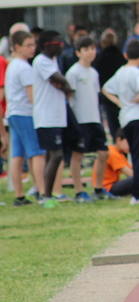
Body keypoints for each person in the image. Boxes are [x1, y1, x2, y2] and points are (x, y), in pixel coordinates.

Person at [102, 39, 139, 206]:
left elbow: (106, 88)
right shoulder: (137, 72)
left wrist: (120, 103)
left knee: (136, 155)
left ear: (125, 55)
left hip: (126, 118)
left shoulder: (120, 72)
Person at [65, 36, 114, 201]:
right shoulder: (73, 72)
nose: (90, 52)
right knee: (78, 155)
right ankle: (79, 192)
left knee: (103, 153)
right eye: (86, 49)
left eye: (93, 48)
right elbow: (69, 97)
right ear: (78, 52)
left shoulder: (94, 73)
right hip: (80, 121)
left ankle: (98, 189)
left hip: (95, 120)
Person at [32, 30, 74, 206]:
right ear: (47, 45)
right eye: (58, 44)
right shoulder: (41, 61)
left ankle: (47, 194)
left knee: (52, 155)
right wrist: (66, 86)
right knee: (56, 155)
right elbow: (60, 80)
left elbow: (61, 84)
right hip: (46, 116)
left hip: (56, 115)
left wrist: (65, 86)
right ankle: (46, 196)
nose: (61, 47)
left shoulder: (53, 61)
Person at [5, 31, 46, 206]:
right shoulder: (24, 67)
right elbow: (32, 97)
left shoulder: (12, 65)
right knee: (37, 153)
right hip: (25, 113)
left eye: (33, 44)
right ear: (17, 47)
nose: (32, 49)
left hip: (13, 113)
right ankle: (43, 192)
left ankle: (20, 195)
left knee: (17, 155)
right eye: (28, 45)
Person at [93, 28, 127, 140]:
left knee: (113, 127)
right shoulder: (122, 58)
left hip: (108, 98)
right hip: (123, 97)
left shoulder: (101, 59)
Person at [94, 128, 133, 197]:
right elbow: (131, 174)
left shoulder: (119, 153)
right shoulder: (113, 152)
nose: (132, 145)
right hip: (107, 187)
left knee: (138, 179)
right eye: (129, 142)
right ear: (119, 140)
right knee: (136, 179)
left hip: (111, 185)